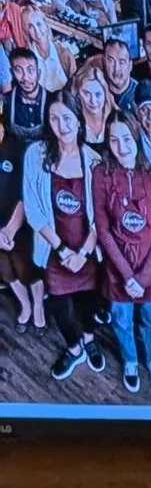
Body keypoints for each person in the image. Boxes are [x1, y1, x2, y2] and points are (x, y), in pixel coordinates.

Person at [22, 92, 103, 383]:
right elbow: (32, 208)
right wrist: (63, 250)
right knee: (60, 306)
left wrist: (82, 253)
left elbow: (101, 215)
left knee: (88, 304)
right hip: (55, 247)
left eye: (67, 118)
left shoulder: (94, 160)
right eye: (54, 118)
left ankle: (90, 340)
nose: (61, 125)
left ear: (79, 121)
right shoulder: (36, 154)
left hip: (88, 249)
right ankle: (74, 347)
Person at [94, 113, 151, 398]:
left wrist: (142, 276)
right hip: (118, 269)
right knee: (121, 319)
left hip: (150, 269)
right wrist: (127, 276)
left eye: (126, 138)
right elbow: (103, 230)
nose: (121, 146)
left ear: (136, 137)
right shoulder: (101, 174)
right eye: (114, 139)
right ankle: (130, 361)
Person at [0, 44, 48, 331]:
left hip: (37, 176)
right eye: (18, 70)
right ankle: (25, 303)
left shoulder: (49, 100)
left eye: (30, 69)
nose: (25, 76)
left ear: (38, 70)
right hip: (12, 163)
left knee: (26, 251)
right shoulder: (8, 102)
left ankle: (39, 303)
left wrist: (10, 228)